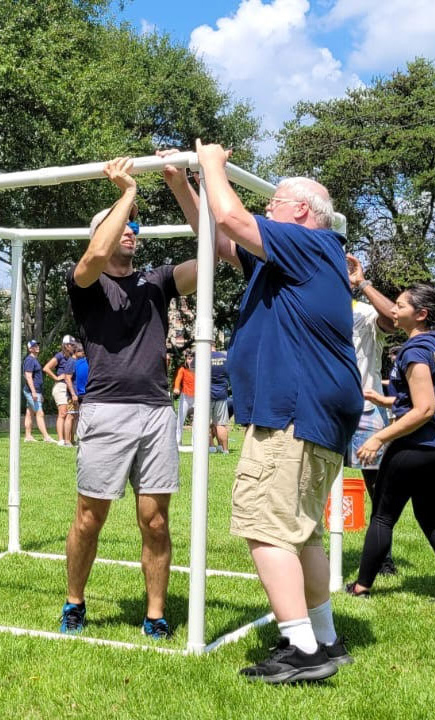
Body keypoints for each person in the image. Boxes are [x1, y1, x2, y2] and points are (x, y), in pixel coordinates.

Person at [162, 142, 361, 682]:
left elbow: (230, 214)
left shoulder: (312, 244)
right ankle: (324, 637)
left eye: (273, 203)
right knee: (301, 533)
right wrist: (182, 184)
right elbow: (219, 238)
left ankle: (300, 650)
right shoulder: (289, 264)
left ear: (300, 211)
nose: (266, 210)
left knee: (266, 527)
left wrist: (212, 166)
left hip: (293, 411)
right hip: (315, 410)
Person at [60, 156, 197, 640]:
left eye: (134, 227)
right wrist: (126, 194)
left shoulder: (155, 281)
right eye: (122, 226)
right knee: (90, 517)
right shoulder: (86, 284)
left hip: (157, 411)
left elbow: (214, 255)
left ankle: (156, 613)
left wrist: (182, 187)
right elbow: (92, 258)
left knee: (155, 521)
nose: (131, 231)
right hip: (105, 411)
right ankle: (74, 602)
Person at [347, 285, 435, 597]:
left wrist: (379, 438)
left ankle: (361, 586)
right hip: (430, 449)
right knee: (428, 516)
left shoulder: (414, 351)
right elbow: (416, 398)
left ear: (421, 314)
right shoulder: (430, 345)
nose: (393, 312)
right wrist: (384, 400)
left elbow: (425, 408)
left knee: (383, 516)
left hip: (413, 446)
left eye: (400, 307)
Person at [346, 253, 397, 574]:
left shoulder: (363, 312)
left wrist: (362, 283)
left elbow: (393, 319)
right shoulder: (314, 311)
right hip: (325, 409)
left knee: (377, 487)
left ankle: (383, 557)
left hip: (366, 412)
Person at [43, 335, 77, 446]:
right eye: (71, 345)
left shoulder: (73, 357)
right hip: (61, 387)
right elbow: (46, 368)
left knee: (70, 413)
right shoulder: (60, 356)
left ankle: (71, 439)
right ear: (66, 345)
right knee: (62, 413)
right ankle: (61, 439)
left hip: (68, 387)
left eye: (74, 345)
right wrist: (56, 377)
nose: (73, 346)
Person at [23, 340, 55, 443]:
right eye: (34, 346)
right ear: (30, 349)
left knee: (29, 413)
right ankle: (46, 437)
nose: (37, 347)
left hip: (36, 391)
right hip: (31, 391)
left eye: (37, 345)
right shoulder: (29, 360)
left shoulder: (34, 360)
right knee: (40, 413)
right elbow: (28, 376)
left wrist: (39, 393)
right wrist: (33, 392)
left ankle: (28, 436)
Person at [209, 343, 230, 454]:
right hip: (221, 394)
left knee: (205, 424)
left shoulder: (203, 356)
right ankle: (225, 449)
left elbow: (192, 370)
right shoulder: (225, 357)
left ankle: (211, 447)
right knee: (221, 424)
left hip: (206, 395)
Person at [172, 351, 195, 449]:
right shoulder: (183, 369)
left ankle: (195, 442)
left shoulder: (198, 369)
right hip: (185, 396)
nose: (191, 361)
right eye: (189, 359)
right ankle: (178, 441)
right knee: (180, 419)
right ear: (186, 359)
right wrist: (176, 388)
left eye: (192, 359)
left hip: (197, 397)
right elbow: (178, 379)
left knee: (198, 421)